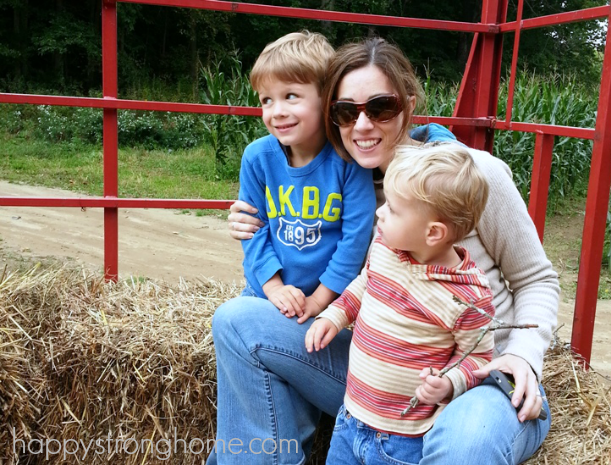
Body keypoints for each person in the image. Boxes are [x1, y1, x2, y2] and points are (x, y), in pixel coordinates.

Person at [215, 37, 559, 465]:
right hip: (381, 373)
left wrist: (522, 356)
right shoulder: (341, 184)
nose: (361, 126)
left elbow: (536, 278)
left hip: (478, 374)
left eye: (379, 108)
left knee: (463, 445)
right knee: (235, 321)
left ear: (408, 105)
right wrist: (254, 223)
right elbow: (301, 243)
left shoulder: (468, 176)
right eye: (345, 111)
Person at [205, 32, 374, 464]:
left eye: (292, 96)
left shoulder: (345, 162)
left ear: (326, 99)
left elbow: (355, 240)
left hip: (327, 309)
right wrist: (274, 286)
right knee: (255, 357)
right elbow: (253, 229)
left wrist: (320, 300)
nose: (276, 111)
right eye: (266, 100)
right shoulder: (258, 158)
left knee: (268, 359)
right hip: (269, 296)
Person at [305, 143, 495, 465]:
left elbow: (478, 357)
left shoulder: (467, 297)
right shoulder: (384, 248)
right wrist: (335, 316)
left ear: (433, 233)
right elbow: (365, 284)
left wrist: (449, 383)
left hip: (402, 441)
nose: (380, 211)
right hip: (350, 417)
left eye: (392, 209)